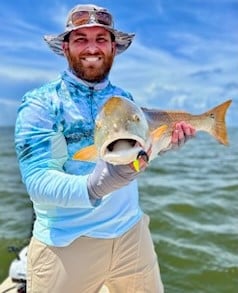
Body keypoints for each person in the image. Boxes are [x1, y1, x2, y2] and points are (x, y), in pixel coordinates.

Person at [15, 4, 195, 293]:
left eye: (101, 39)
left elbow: (135, 159)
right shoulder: (41, 103)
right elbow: (37, 180)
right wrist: (94, 186)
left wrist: (162, 144)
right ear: (65, 47)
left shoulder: (126, 98)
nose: (92, 48)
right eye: (80, 39)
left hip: (131, 234)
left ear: (113, 47)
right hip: (66, 242)